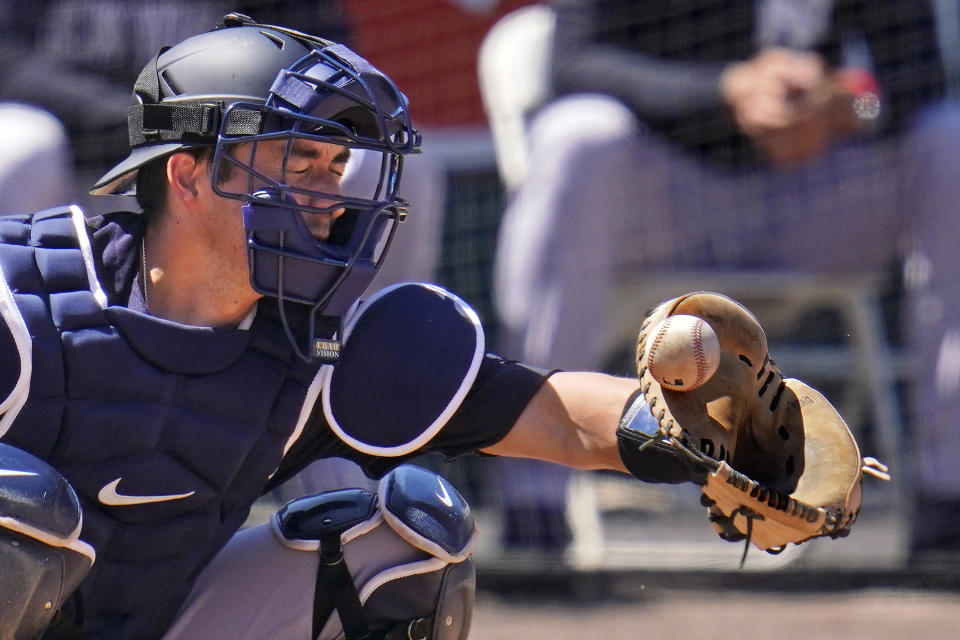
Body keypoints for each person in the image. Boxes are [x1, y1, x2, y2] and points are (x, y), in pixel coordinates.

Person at [0, 13, 642, 640]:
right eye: (298, 165)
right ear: (188, 175)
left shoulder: (320, 342)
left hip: (165, 616)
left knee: (408, 548)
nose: (330, 199)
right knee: (21, 515)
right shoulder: (21, 296)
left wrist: (701, 429)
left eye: (334, 168)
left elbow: (557, 416)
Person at [492, 0, 960, 557]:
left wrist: (847, 106)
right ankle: (533, 509)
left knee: (948, 140)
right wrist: (727, 88)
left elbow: (919, 72)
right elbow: (571, 64)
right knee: (577, 136)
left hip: (814, 193)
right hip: (668, 193)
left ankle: (948, 500)